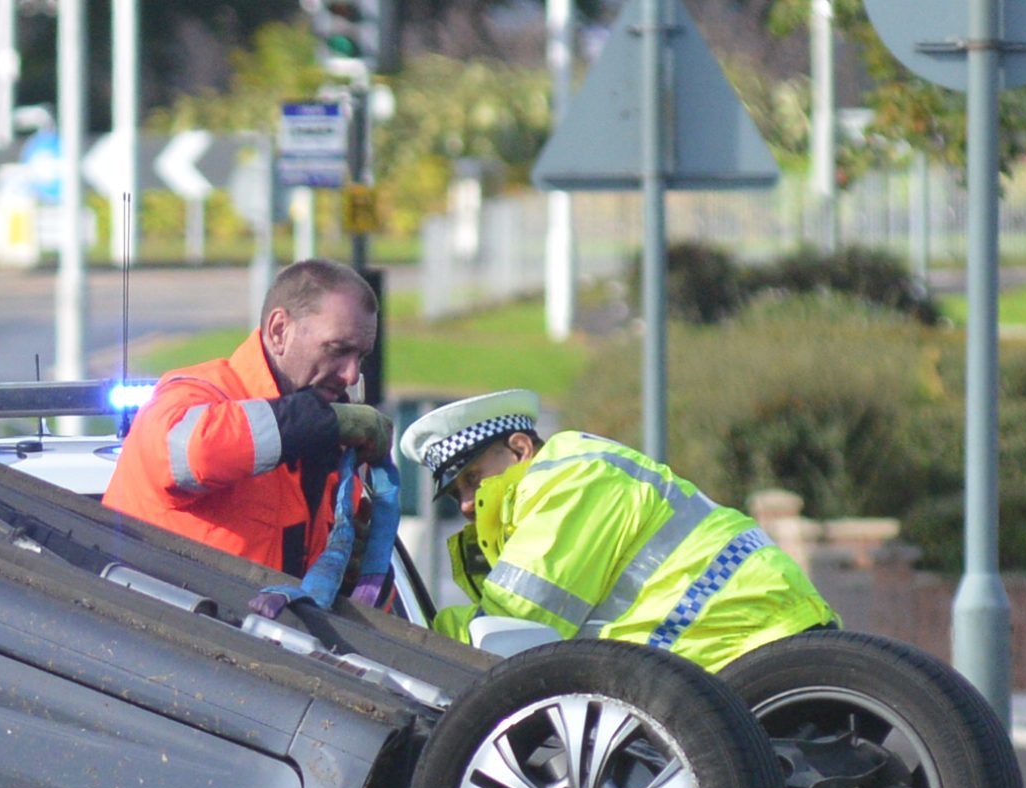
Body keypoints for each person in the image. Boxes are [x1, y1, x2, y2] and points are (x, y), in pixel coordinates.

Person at [398, 390, 836, 669]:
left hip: (752, 642)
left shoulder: (569, 484)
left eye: (473, 478)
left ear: (519, 448)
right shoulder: (569, 474)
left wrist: (405, 634)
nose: (468, 503)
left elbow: (512, 629)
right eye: (456, 493)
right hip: (743, 643)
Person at [103, 259, 402, 615]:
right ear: (278, 331)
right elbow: (197, 453)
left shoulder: (331, 458)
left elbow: (371, 628)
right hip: (152, 655)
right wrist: (320, 421)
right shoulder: (193, 395)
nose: (352, 375)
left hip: (260, 663)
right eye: (337, 350)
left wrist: (367, 583)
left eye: (361, 356)